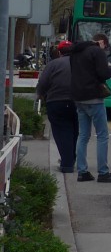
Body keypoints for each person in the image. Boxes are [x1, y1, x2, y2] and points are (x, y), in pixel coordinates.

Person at [69, 32, 111, 183]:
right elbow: (103, 74)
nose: (104, 49)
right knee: (102, 135)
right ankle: (103, 172)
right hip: (94, 97)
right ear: (101, 42)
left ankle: (82, 171)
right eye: (105, 46)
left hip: (78, 97)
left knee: (83, 135)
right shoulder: (97, 51)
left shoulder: (76, 51)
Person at [36, 42, 78, 173]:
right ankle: (71, 158)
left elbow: (43, 83)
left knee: (61, 131)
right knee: (75, 131)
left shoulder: (53, 64)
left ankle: (67, 163)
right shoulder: (81, 63)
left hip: (56, 101)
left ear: (59, 52)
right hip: (78, 102)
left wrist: (40, 95)